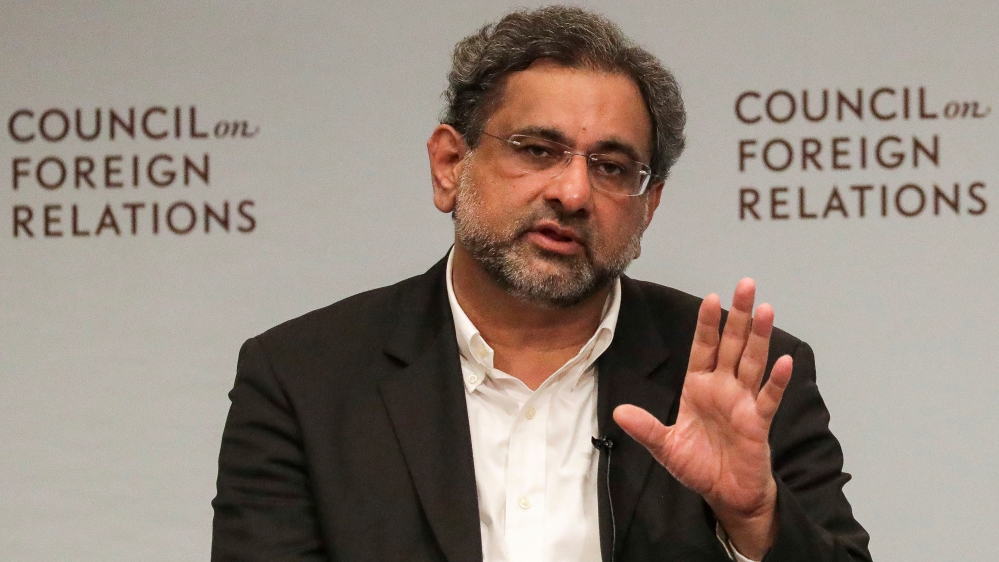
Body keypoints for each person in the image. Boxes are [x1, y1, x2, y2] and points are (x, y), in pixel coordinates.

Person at [212, 6, 871, 562]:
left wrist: (755, 521)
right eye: (536, 150)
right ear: (449, 166)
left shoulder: (741, 378)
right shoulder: (304, 378)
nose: (573, 191)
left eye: (612, 167)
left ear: (649, 206)